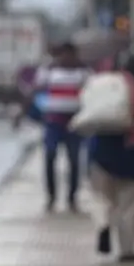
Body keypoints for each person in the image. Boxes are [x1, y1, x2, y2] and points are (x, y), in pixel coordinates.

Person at [88, 56, 134, 263]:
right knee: (129, 205)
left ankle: (103, 224)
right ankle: (127, 250)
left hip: (103, 156)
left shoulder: (107, 90)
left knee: (102, 199)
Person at [31, 42, 91, 212]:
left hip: (74, 123)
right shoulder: (49, 71)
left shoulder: (83, 72)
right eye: (63, 55)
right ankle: (51, 197)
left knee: (74, 161)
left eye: (70, 55)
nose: (67, 58)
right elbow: (36, 89)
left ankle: (72, 198)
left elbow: (91, 92)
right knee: (50, 157)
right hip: (53, 122)